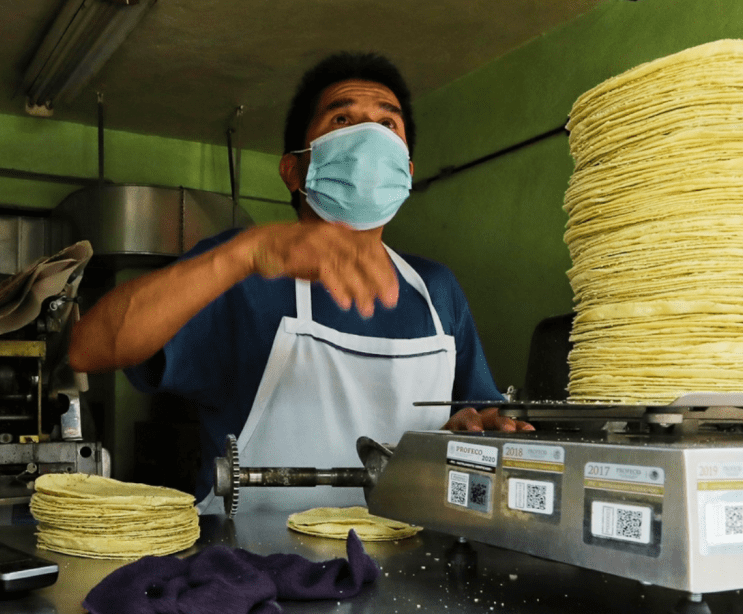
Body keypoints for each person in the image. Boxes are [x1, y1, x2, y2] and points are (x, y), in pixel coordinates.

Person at [68, 52, 533, 513]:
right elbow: (89, 347)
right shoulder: (244, 274)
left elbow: (478, 427)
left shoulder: (437, 291)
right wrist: (242, 254)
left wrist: (480, 433)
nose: (368, 137)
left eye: (387, 125)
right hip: (257, 574)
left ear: (407, 172)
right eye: (341, 119)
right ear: (295, 170)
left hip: (409, 570)